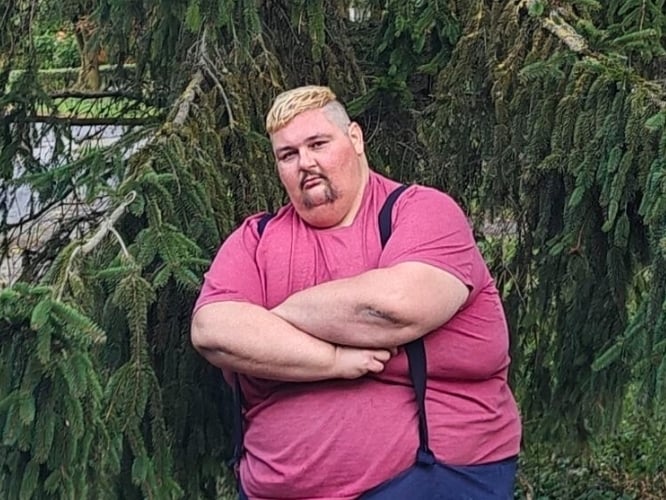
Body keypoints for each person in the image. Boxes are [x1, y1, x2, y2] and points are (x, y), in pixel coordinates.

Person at [191, 85, 521, 499]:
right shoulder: (254, 240)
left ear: (355, 138)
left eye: (318, 144)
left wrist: (271, 320)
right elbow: (212, 331)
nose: (305, 163)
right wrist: (334, 360)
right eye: (288, 154)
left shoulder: (419, 211)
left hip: (431, 479)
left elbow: (394, 308)